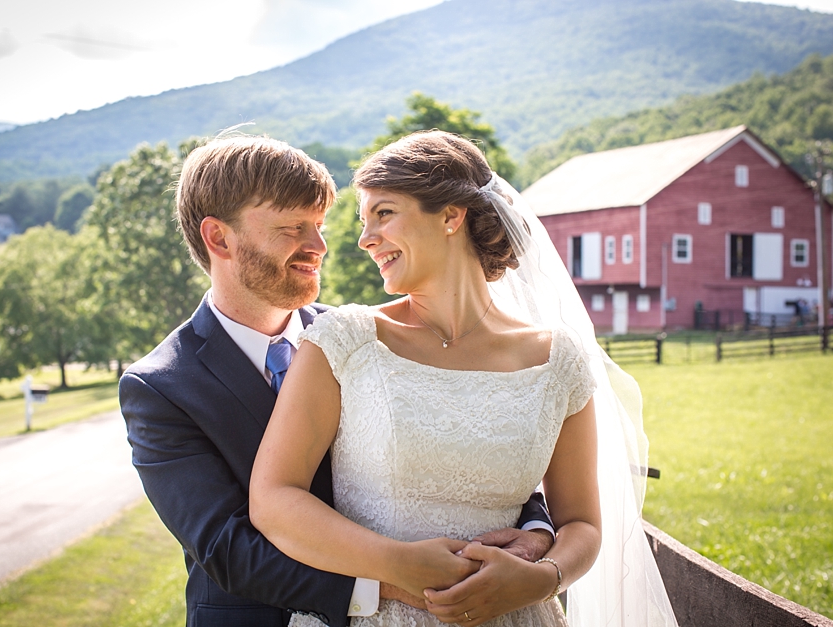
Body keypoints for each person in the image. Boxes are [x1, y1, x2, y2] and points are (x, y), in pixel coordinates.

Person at [119, 134, 557, 627]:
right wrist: (395, 584)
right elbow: (227, 548)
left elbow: (466, 445)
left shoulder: (363, 339)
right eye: (293, 228)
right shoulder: (160, 387)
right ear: (219, 238)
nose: (319, 247)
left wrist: (537, 529)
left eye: (320, 226)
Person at [250, 131, 679, 627]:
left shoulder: (558, 360)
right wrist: (396, 565)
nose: (366, 239)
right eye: (363, 222)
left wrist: (545, 578)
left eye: (384, 213)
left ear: (452, 216)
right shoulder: (343, 341)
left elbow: (581, 523)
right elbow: (274, 498)